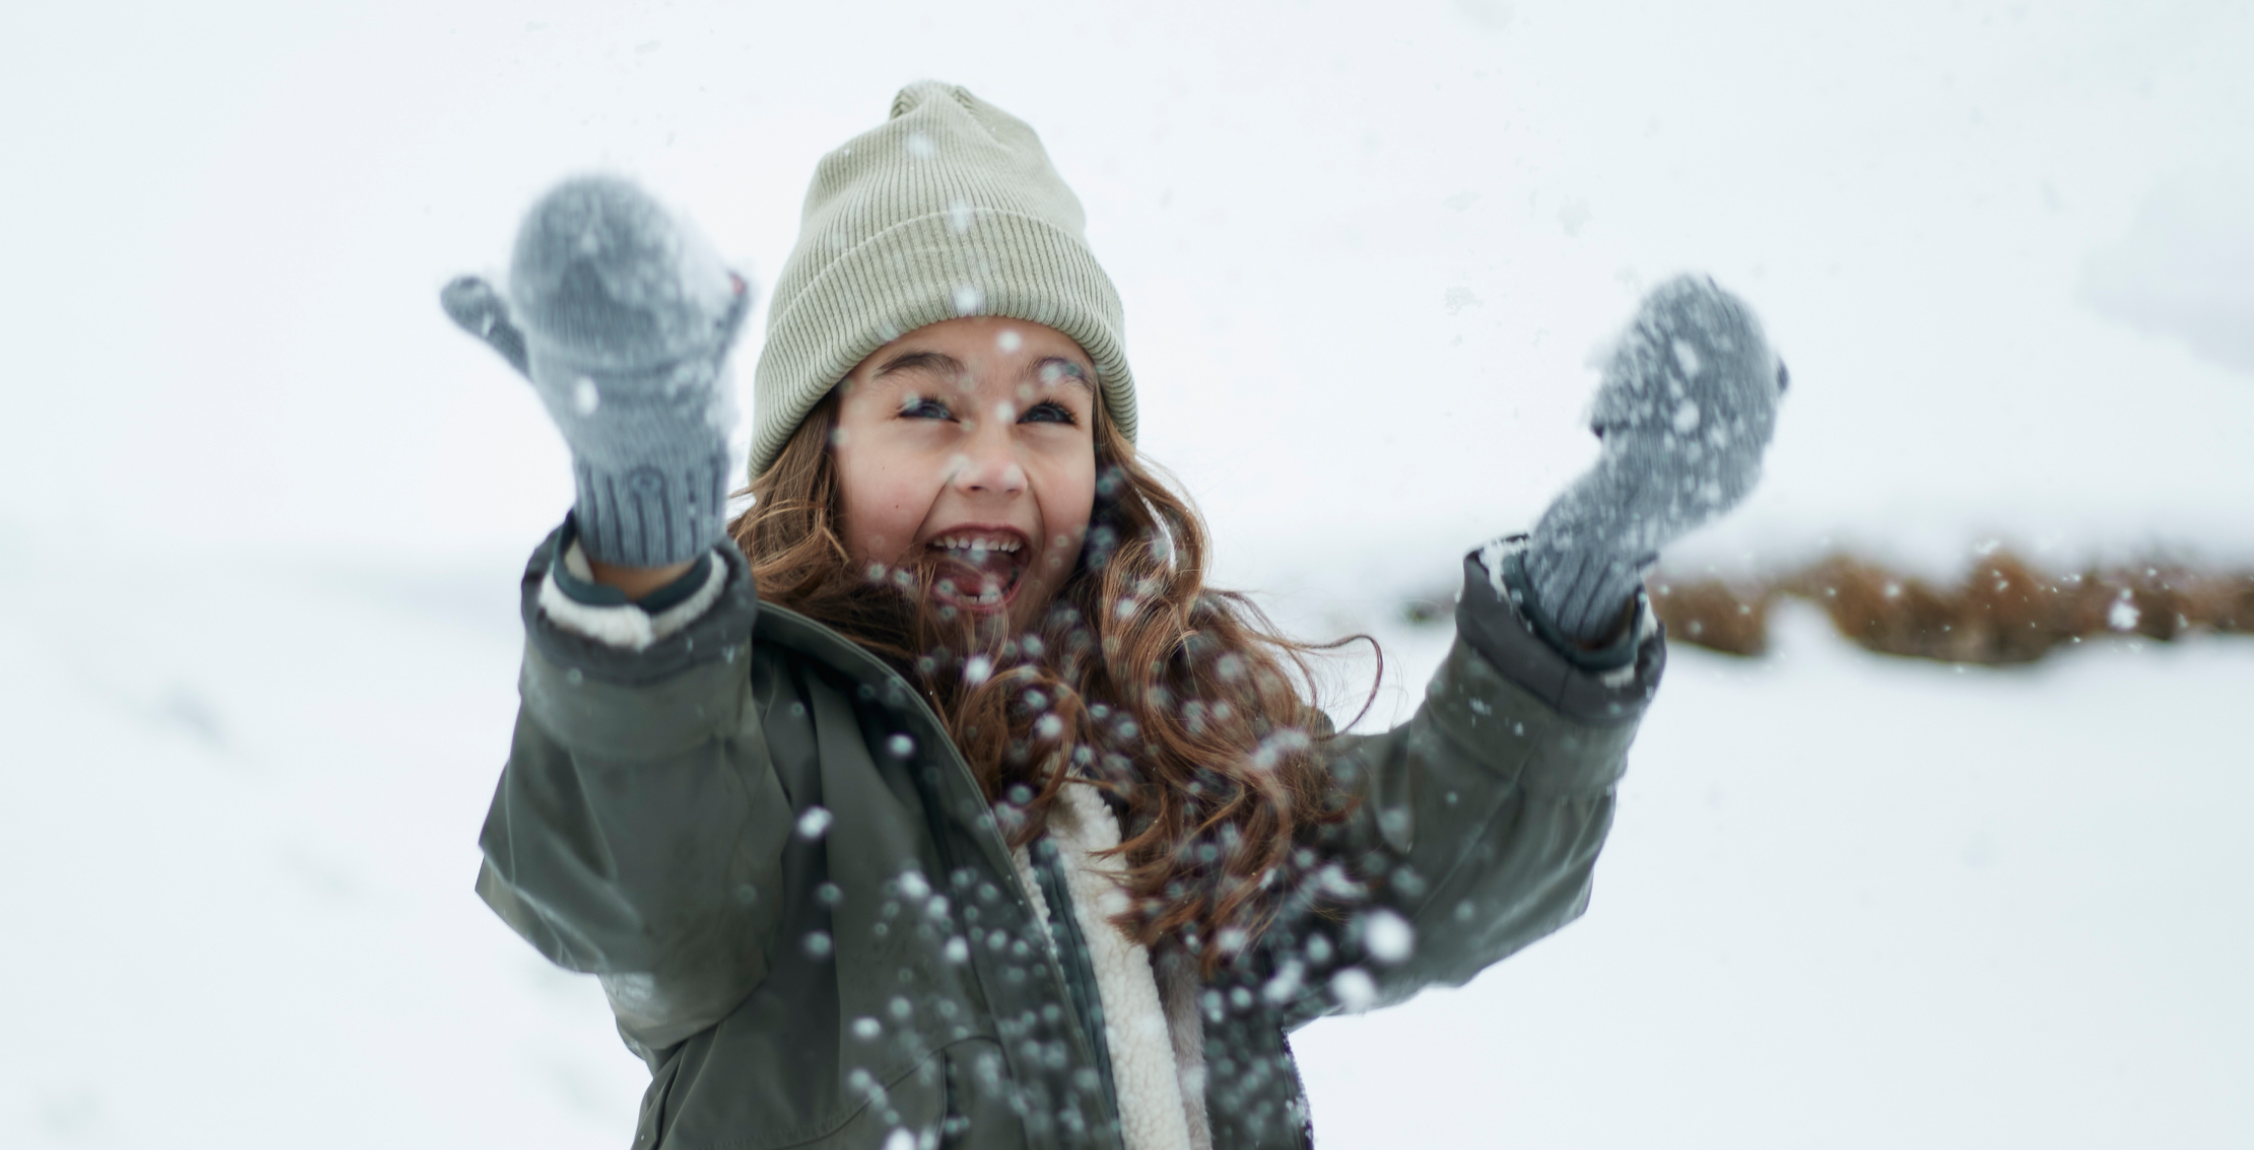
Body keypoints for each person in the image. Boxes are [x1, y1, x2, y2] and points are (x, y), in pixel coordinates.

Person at [441, 80, 1785, 1150]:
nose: (995, 461)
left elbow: (1438, 873)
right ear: (820, 452)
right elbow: (628, 866)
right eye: (925, 404)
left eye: (1048, 409)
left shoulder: (1171, 760)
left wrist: (1594, 557)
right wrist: (643, 520)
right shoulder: (762, 754)